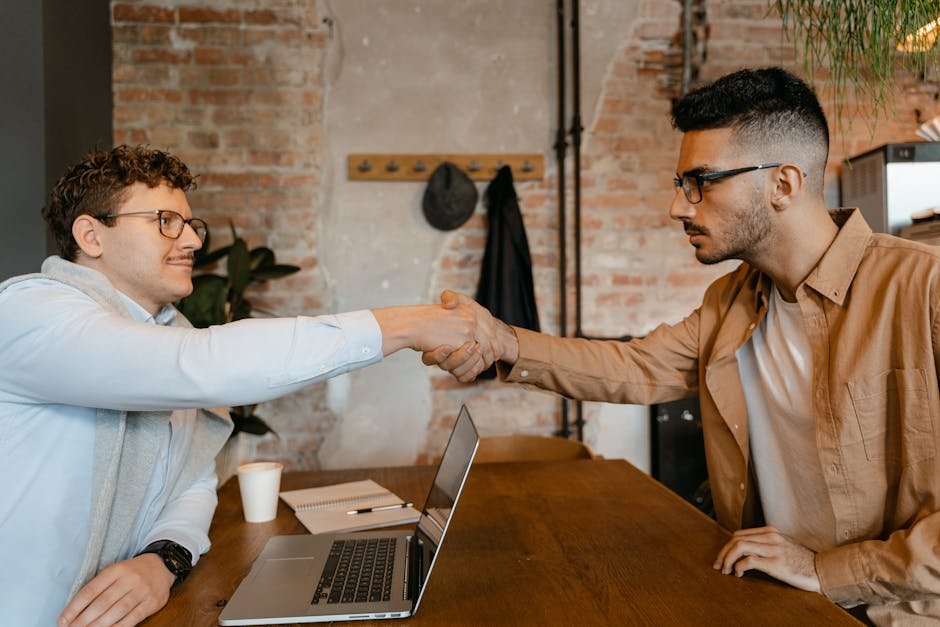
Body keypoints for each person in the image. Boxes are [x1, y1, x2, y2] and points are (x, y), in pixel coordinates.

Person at [426, 67, 940, 625]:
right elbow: (637, 367)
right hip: (770, 594)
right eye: (681, 185)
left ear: (783, 185)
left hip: (891, 613)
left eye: (702, 181)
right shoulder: (733, 299)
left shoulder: (924, 289)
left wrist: (828, 570)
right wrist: (503, 341)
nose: (679, 207)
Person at [0, 145, 490, 627]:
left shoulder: (169, 332)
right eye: (165, 222)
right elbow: (196, 366)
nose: (191, 241)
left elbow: (192, 479)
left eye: (191, 225)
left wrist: (163, 559)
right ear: (91, 235)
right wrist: (406, 325)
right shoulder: (31, 312)